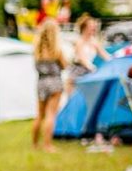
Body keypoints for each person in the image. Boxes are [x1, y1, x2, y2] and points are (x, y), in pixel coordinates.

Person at [32, 18, 67, 152]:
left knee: (39, 115)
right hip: (54, 82)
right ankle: (47, 145)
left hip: (41, 82)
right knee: (50, 114)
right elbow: (64, 65)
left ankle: (35, 144)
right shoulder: (56, 50)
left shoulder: (37, 50)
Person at [66, 14, 110, 95]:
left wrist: (114, 60)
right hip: (77, 74)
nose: (94, 28)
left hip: (89, 73)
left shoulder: (94, 41)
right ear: (84, 28)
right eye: (91, 26)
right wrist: (93, 68)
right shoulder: (79, 41)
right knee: (74, 99)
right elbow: (82, 59)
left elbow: (106, 56)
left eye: (94, 26)